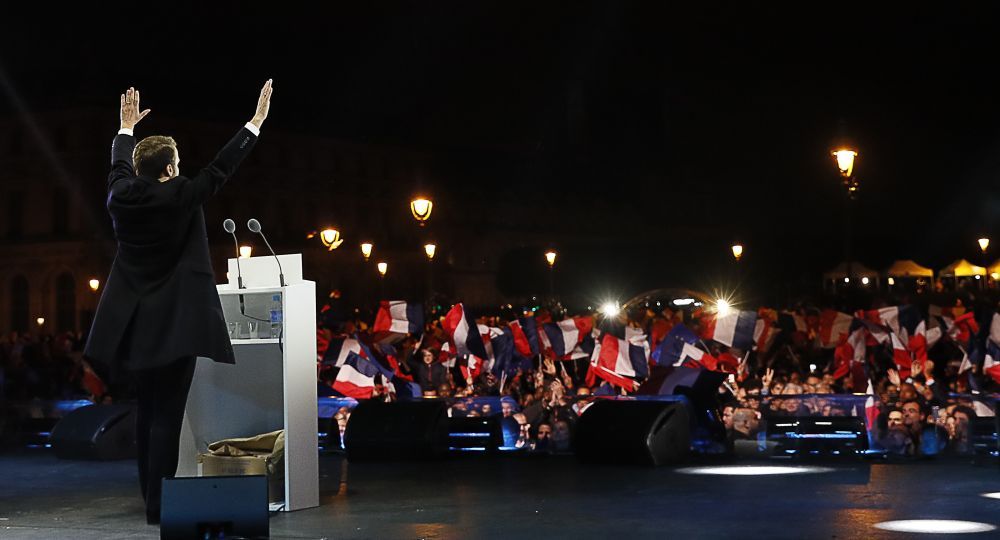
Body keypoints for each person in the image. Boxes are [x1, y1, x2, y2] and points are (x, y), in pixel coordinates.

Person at [83, 81, 273, 524]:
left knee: (148, 411)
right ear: (170, 167)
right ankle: (158, 506)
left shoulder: (120, 196)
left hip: (135, 325)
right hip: (178, 325)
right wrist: (255, 123)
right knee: (167, 414)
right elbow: (221, 169)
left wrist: (124, 128)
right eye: (179, 163)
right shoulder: (182, 194)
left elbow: (116, 167)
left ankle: (150, 496)